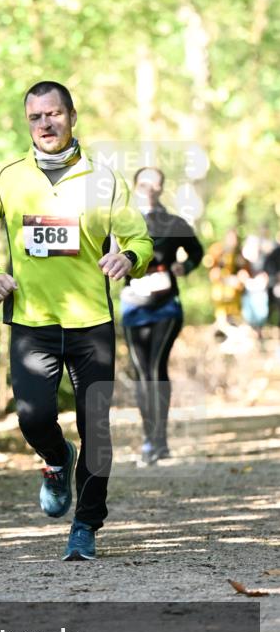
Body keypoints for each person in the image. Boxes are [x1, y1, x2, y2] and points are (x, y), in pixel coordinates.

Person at [0, 81, 153, 561]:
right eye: (35, 117)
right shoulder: (6, 176)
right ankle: (54, 458)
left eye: (54, 114)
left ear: (72, 116)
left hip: (91, 321)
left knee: (97, 427)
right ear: (27, 122)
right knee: (33, 418)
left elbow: (141, 240)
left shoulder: (105, 179)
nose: (45, 124)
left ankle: (86, 525)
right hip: (32, 321)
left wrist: (129, 258)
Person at [120, 167, 204, 464]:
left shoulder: (173, 222)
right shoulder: (122, 221)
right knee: (143, 373)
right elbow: (102, 252)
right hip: (133, 302)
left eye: (155, 184)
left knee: (156, 368)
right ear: (135, 186)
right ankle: (150, 438)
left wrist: (185, 266)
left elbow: (196, 251)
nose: (149, 189)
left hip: (167, 305)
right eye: (144, 183)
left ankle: (160, 439)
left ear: (161, 188)